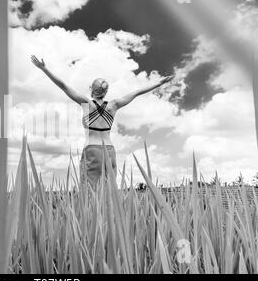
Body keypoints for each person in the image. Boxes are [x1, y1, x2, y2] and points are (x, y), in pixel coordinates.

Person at [31, 55, 174, 187]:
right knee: (109, 190)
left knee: (89, 192)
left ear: (91, 90)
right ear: (106, 92)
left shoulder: (87, 104)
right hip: (110, 150)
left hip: (92, 149)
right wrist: (158, 83)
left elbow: (63, 86)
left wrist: (44, 69)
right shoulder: (114, 105)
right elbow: (136, 92)